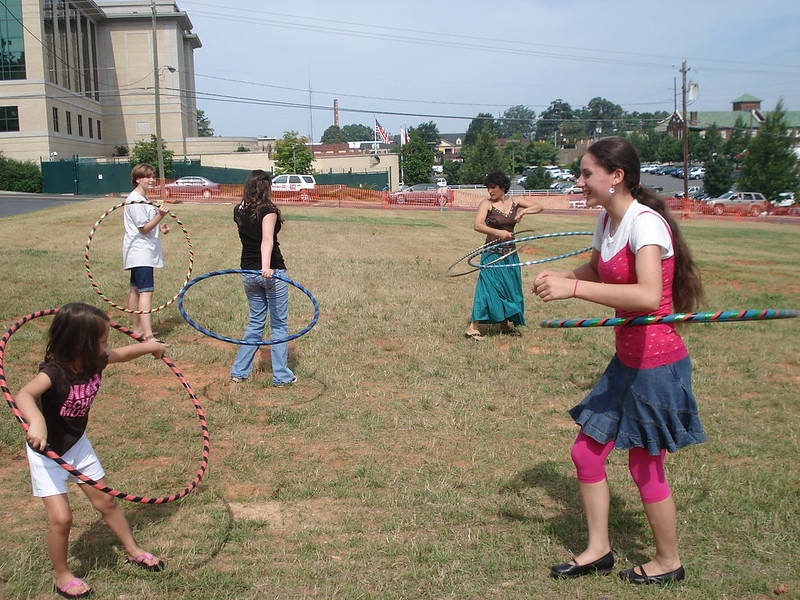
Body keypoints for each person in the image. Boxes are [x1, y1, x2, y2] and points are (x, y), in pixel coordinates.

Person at [532, 136, 706, 585]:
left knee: (644, 463)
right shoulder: (608, 221)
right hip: (628, 359)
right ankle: (597, 550)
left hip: (658, 362)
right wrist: (565, 276)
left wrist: (574, 290)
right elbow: (599, 269)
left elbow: (648, 295)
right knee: (586, 453)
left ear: (617, 177)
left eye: (588, 173)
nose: (580, 180)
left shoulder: (645, 224)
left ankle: (669, 561)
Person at [15, 302, 168, 598]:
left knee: (107, 502)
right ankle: (62, 575)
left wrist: (152, 346)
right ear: (81, 343)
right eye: (102, 340)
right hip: (47, 451)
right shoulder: (54, 372)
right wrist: (36, 421)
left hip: (76, 445)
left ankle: (133, 549)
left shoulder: (94, 360)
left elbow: (123, 354)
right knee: (62, 518)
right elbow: (24, 394)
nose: (107, 345)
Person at [230, 170, 297, 386]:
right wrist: (266, 267)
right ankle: (282, 377)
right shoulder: (267, 210)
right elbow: (266, 240)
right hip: (270, 271)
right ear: (266, 187)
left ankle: (239, 372)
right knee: (278, 325)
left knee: (255, 322)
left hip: (248, 272)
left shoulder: (239, 210)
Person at [464, 169, 543, 340]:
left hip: (510, 254)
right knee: (487, 289)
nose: (490, 191)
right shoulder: (486, 204)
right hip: (492, 254)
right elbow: (477, 225)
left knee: (509, 289)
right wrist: (498, 233)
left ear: (502, 187)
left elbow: (539, 206)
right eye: (488, 188)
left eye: (493, 187)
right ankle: (473, 327)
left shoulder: (515, 202)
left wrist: (524, 212)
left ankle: (504, 325)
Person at [122, 163, 170, 342]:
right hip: (140, 251)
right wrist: (160, 215)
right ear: (137, 179)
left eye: (152, 176)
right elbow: (143, 228)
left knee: (135, 289)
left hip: (141, 250)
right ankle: (148, 335)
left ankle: (138, 330)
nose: (151, 179)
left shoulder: (143, 199)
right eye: (147, 176)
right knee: (146, 291)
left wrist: (160, 227)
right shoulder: (135, 200)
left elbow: (148, 226)